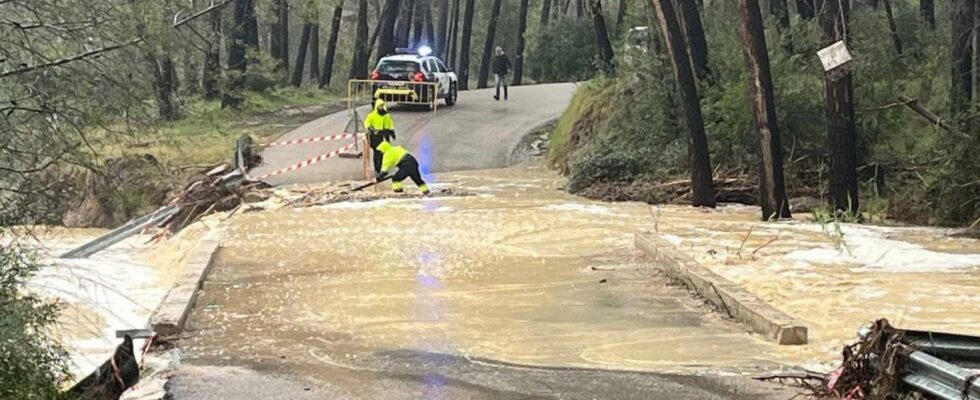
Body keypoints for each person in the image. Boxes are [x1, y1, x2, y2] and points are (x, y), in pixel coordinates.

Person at [363, 98, 396, 174]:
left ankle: (380, 168)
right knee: (377, 153)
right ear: (376, 106)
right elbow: (367, 123)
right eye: (379, 106)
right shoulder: (372, 115)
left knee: (382, 153)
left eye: (382, 106)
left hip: (383, 136)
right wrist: (372, 130)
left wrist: (392, 132)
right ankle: (377, 169)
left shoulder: (386, 115)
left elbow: (389, 124)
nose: (381, 107)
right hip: (375, 137)